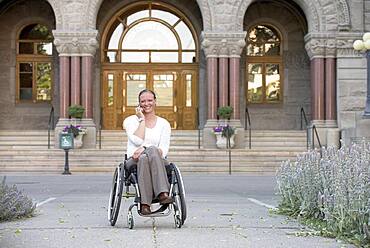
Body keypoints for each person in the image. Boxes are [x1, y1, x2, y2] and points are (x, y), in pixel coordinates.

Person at [123, 89, 173, 215]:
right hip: (133, 161)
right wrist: (142, 120)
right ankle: (162, 193)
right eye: (143, 101)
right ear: (139, 104)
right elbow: (137, 140)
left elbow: (163, 150)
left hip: (157, 160)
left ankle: (145, 205)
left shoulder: (164, 124)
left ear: (155, 102)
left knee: (145, 157)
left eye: (150, 100)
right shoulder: (129, 121)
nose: (146, 104)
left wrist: (145, 150)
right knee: (146, 153)